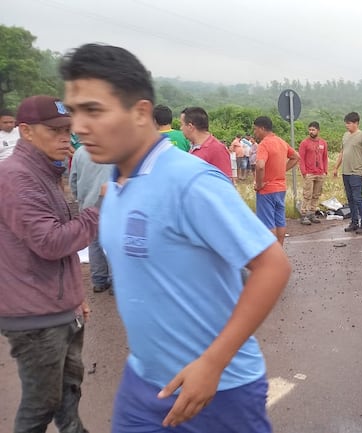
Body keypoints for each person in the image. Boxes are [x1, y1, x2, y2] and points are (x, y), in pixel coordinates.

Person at [61, 43, 291, 433]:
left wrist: (212, 363)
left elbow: (272, 265)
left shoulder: (191, 181)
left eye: (94, 110)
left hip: (218, 389)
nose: (79, 127)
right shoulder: (116, 186)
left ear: (140, 112)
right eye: (74, 112)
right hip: (144, 382)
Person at [0, 95, 100, 433]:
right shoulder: (17, 177)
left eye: (67, 130)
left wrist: (75, 297)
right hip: (34, 317)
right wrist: (102, 207)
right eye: (55, 130)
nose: (65, 138)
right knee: (40, 404)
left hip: (58, 307)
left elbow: (62, 242)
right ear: (25, 131)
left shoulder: (44, 171)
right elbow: (51, 241)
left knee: (67, 393)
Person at [70, 145, 113, 294]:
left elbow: (73, 179)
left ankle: (99, 281)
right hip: (111, 203)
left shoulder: (79, 153)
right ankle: (115, 282)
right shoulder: (115, 149)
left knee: (94, 243)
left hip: (88, 205)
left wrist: (80, 199)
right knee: (112, 243)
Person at [253, 116, 300, 245]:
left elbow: (260, 165)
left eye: (256, 129)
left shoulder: (264, 144)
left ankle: (271, 254)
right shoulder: (281, 142)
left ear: (262, 128)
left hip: (267, 190)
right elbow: (296, 157)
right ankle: (280, 249)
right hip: (281, 189)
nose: (255, 132)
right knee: (280, 221)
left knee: (268, 223)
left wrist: (259, 183)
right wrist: (281, 170)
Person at [333, 112, 362, 234]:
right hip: (346, 171)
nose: (347, 125)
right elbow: (342, 152)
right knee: (350, 198)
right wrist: (336, 167)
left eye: (349, 123)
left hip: (356, 172)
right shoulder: (345, 136)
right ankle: (354, 222)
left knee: (357, 198)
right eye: (346, 123)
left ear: (356, 123)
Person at [180, 106, 233, 181]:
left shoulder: (217, 149)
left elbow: (226, 182)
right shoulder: (194, 146)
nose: (181, 128)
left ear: (190, 126)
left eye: (182, 124)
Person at [298, 121, 328, 225]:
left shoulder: (323, 143)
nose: (311, 131)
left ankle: (312, 213)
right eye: (310, 129)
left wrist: (325, 170)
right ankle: (303, 214)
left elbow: (325, 157)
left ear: (318, 131)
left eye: (313, 130)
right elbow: (300, 158)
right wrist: (304, 172)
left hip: (320, 172)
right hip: (309, 173)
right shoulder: (304, 143)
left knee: (316, 194)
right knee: (307, 194)